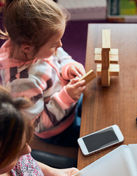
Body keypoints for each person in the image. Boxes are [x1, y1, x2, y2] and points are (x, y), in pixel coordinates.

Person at [0, 0, 87, 147]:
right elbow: (37, 125)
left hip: (67, 99)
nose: (60, 45)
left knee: (99, 101)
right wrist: (66, 98)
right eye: (54, 44)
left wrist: (67, 65)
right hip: (58, 129)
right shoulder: (22, 83)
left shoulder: (34, 45)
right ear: (28, 48)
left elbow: (58, 53)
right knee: (92, 138)